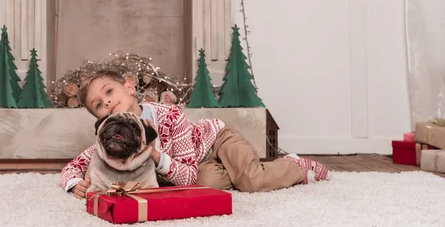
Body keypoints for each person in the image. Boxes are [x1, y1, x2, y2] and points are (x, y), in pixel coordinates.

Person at [60, 69, 331, 199]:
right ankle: (236, 170)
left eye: (109, 92)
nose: (106, 102)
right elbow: (73, 166)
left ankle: (296, 166)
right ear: (99, 119)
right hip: (196, 166)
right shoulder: (113, 142)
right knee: (206, 186)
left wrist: (154, 155)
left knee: (250, 180)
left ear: (130, 88)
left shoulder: (169, 116)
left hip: (215, 141)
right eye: (98, 105)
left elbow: (186, 173)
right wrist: (75, 183)